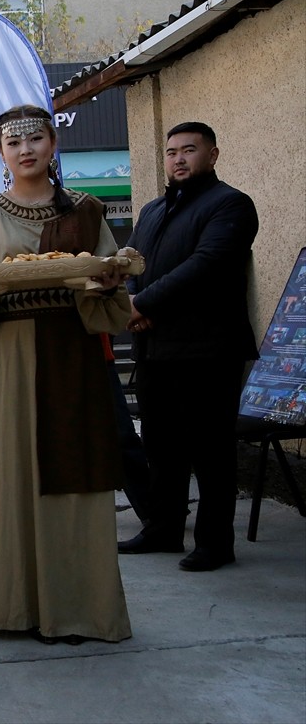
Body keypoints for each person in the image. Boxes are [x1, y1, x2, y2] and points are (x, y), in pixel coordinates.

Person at [0, 105, 131, 645]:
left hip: (72, 356)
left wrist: (104, 285)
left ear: (53, 144)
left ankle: (78, 609)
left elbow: (110, 281)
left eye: (35, 138)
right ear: (0, 153)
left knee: (76, 478)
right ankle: (13, 607)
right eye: (12, 142)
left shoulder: (87, 211)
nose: (25, 149)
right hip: (10, 359)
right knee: (12, 477)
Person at [118, 122, 259, 572]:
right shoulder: (153, 210)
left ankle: (215, 543)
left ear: (213, 155)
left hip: (208, 349)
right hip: (154, 346)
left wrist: (143, 301)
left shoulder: (230, 204)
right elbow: (132, 263)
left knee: (210, 449)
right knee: (160, 445)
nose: (178, 159)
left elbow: (208, 265)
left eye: (189, 150)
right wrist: (131, 300)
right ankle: (163, 529)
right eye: (172, 151)